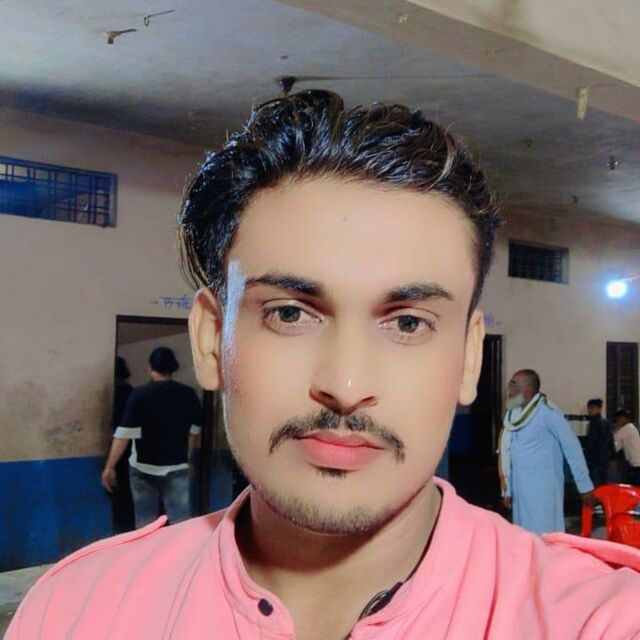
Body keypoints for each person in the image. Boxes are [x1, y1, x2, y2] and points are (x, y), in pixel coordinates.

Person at [8, 91, 640, 640]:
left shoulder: (598, 617)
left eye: (408, 323)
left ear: (470, 356)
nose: (344, 386)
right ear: (210, 342)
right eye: (290, 314)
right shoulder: (77, 612)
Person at [101, 346, 202, 527]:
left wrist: (109, 467)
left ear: (150, 367)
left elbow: (123, 435)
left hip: (143, 469)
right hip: (177, 467)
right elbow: (193, 434)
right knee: (181, 524)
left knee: (145, 524)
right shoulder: (188, 394)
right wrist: (189, 460)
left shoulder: (140, 395)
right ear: (173, 367)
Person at [499, 369, 594, 534]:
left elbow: (572, 447)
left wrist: (584, 486)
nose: (509, 389)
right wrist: (507, 489)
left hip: (543, 491)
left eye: (514, 385)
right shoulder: (514, 414)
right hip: (521, 491)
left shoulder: (548, 412)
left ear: (528, 390)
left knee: (545, 537)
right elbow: (506, 451)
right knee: (523, 537)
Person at [107, 356, 136, 533]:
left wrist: (109, 465)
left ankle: (122, 531)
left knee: (119, 497)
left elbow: (121, 432)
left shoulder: (115, 395)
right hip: (135, 452)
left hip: (117, 450)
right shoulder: (133, 393)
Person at [583, 397, 615, 487]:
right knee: (604, 482)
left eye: (592, 408)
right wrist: (612, 457)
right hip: (605, 458)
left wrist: (586, 455)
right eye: (589, 408)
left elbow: (591, 442)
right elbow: (611, 441)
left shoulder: (593, 423)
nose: (589, 410)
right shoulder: (606, 422)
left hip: (594, 459)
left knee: (594, 483)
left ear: (599, 409)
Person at [613, 408, 640, 485]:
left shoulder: (628, 428)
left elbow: (615, 437)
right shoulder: (627, 429)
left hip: (637, 463)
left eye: (618, 419)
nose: (618, 421)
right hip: (633, 463)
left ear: (624, 418)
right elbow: (618, 445)